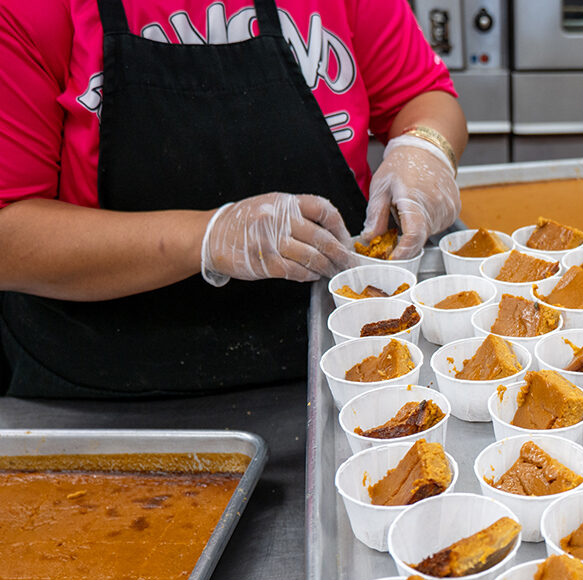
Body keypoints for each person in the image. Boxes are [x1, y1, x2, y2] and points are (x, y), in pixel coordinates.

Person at [0, 0, 466, 397]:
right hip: (108, 397)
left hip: (349, 371)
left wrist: (424, 148)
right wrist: (209, 238)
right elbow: (9, 238)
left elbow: (422, 96)